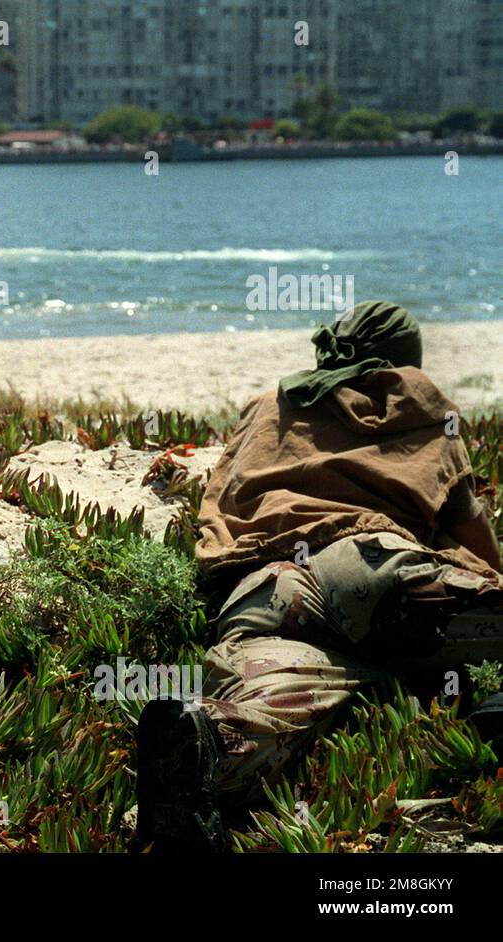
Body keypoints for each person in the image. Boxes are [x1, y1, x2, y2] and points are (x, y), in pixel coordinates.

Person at [135, 301, 503, 852]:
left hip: (265, 593)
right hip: (369, 569)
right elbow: (468, 524)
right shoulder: (413, 396)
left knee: (274, 701)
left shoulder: (265, 406)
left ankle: (210, 740)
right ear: (403, 358)